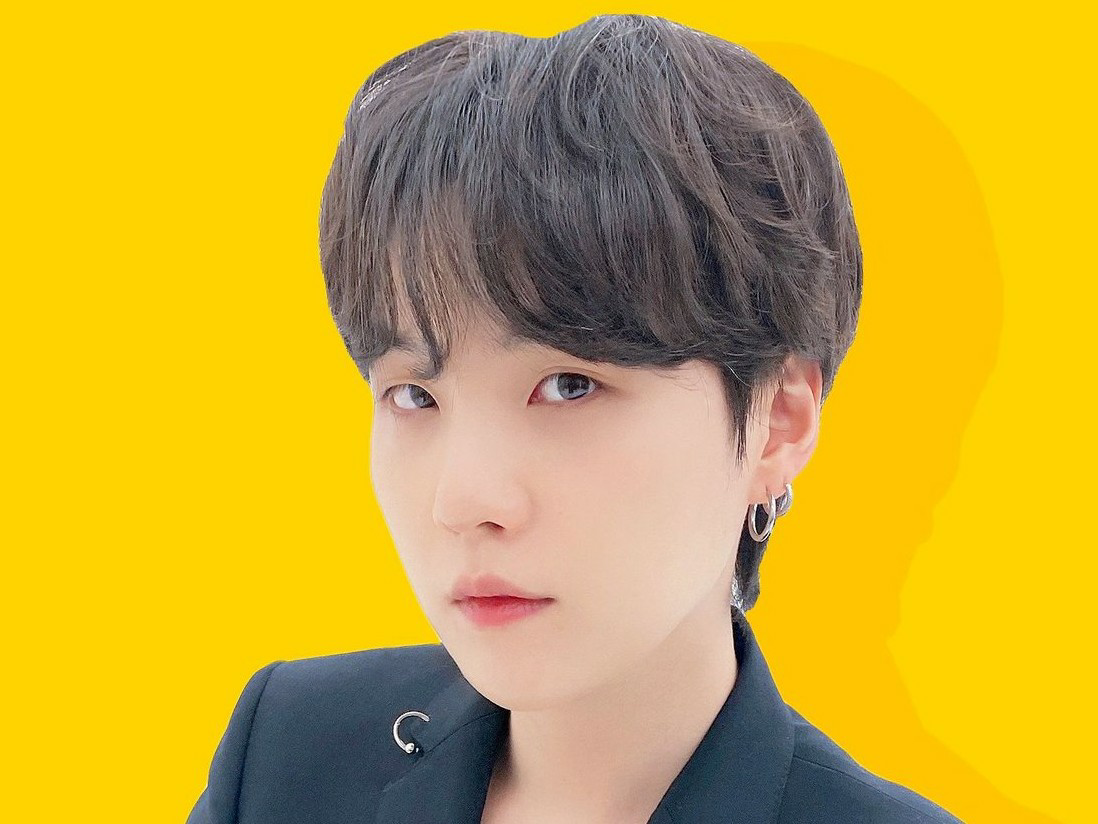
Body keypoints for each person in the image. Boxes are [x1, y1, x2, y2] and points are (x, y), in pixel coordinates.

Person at [187, 13, 963, 824]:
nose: (463, 501)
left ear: (777, 422)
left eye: (568, 386)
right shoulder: (288, 755)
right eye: (415, 395)